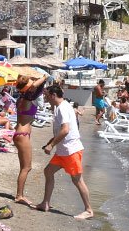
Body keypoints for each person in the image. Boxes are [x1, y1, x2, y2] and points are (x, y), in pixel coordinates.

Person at [35, 86, 94, 219]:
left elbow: (65, 130)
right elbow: (60, 131)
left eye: (47, 95)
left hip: (71, 150)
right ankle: (45, 203)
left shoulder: (62, 107)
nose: (45, 98)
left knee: (77, 180)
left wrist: (51, 145)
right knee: (48, 171)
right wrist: (50, 143)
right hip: (63, 150)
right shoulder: (60, 107)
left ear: (53, 95)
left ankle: (89, 210)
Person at [11, 75, 47, 206]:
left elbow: (36, 88)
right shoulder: (26, 98)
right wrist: (44, 77)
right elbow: (35, 87)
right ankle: (19, 195)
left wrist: (40, 80)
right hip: (23, 134)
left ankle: (19, 194)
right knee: (27, 167)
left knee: (24, 167)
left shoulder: (21, 99)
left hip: (20, 134)